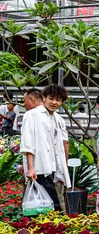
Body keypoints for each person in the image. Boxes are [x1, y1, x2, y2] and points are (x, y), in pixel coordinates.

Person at [20, 84, 71, 212]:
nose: (54, 102)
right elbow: (28, 142)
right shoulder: (32, 115)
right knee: (48, 206)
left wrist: (63, 167)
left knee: (46, 206)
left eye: (58, 100)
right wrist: (30, 167)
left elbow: (63, 143)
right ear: (44, 98)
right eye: (51, 98)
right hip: (39, 167)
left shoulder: (57, 118)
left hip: (53, 168)